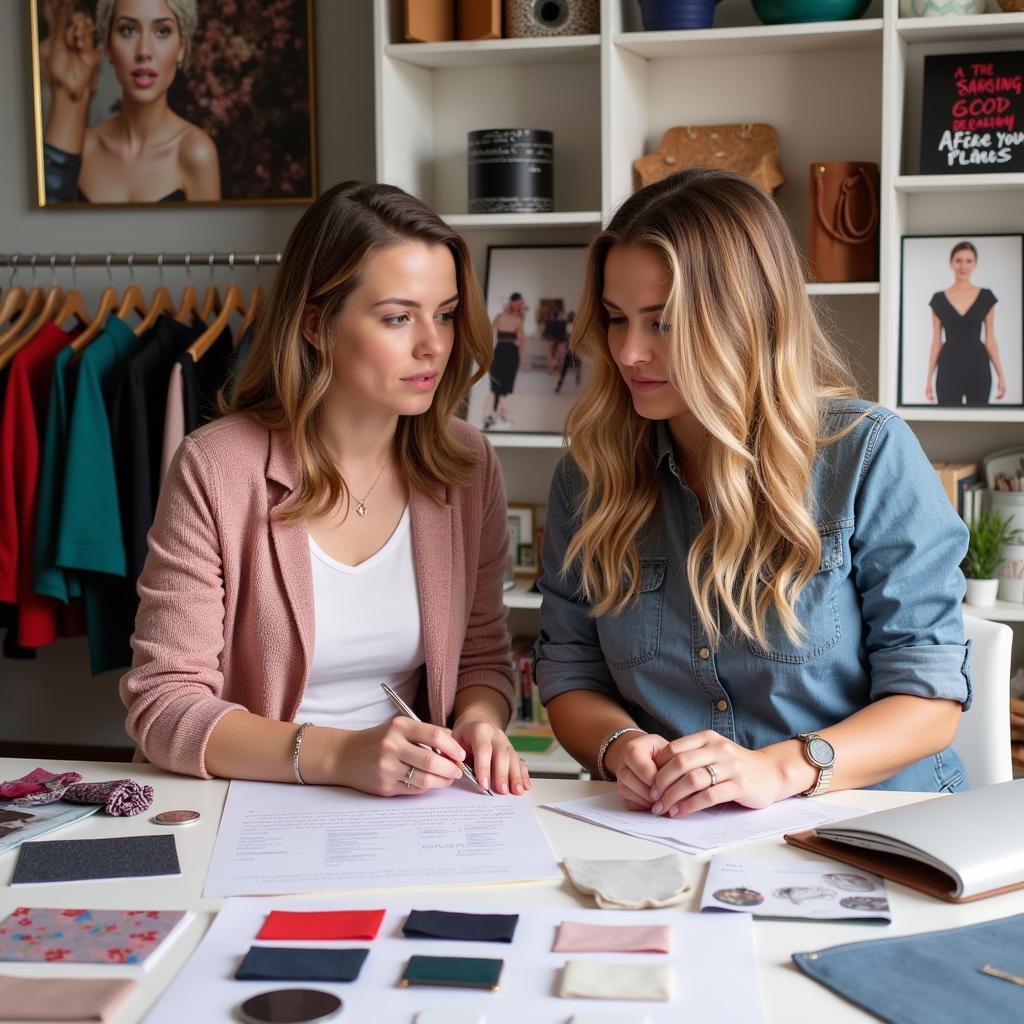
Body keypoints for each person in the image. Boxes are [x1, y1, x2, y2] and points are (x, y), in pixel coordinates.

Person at [535, 168, 971, 821]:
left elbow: (930, 703)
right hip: (680, 834)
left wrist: (780, 769)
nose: (628, 352)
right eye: (616, 319)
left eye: (663, 323)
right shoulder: (591, 474)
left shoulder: (866, 452)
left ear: (746, 317)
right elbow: (569, 674)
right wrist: (618, 743)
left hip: (878, 823)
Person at [121, 182, 530, 799]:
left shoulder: (467, 465)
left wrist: (480, 720)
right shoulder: (217, 466)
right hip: (251, 808)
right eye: (398, 317)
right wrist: (342, 754)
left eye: (444, 314)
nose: (434, 345)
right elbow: (163, 703)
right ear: (316, 324)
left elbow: (481, 659)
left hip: (415, 807)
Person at [41, 0, 220, 203]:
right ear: (108, 46)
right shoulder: (84, 148)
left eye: (162, 31)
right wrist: (67, 94)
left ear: (181, 47)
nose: (144, 51)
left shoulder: (195, 153)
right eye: (128, 30)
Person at [924, 241, 1006, 406]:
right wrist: (928, 380)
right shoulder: (938, 299)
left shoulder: (986, 297)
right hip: (948, 367)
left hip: (979, 366)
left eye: (969, 261)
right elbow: (936, 341)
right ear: (951, 263)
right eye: (959, 260)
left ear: (975, 264)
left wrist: (1001, 376)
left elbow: (990, 339)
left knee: (979, 419)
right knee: (947, 420)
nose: (964, 266)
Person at [483, 292, 526, 430]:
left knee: (494, 388)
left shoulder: (499, 318)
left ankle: (489, 416)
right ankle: (502, 416)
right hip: (512, 354)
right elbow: (522, 342)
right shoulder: (518, 321)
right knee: (504, 389)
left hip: (499, 352)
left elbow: (490, 336)